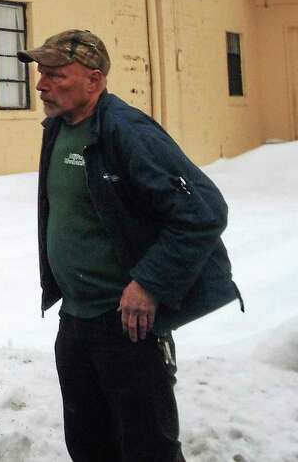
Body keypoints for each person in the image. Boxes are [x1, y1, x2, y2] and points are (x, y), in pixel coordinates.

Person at [19, 29, 241, 462]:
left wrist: (149, 284)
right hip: (77, 319)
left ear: (95, 80)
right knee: (89, 446)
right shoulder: (60, 128)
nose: (42, 84)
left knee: (146, 450)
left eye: (56, 74)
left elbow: (204, 211)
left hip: (126, 327)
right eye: (41, 73)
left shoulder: (127, 132)